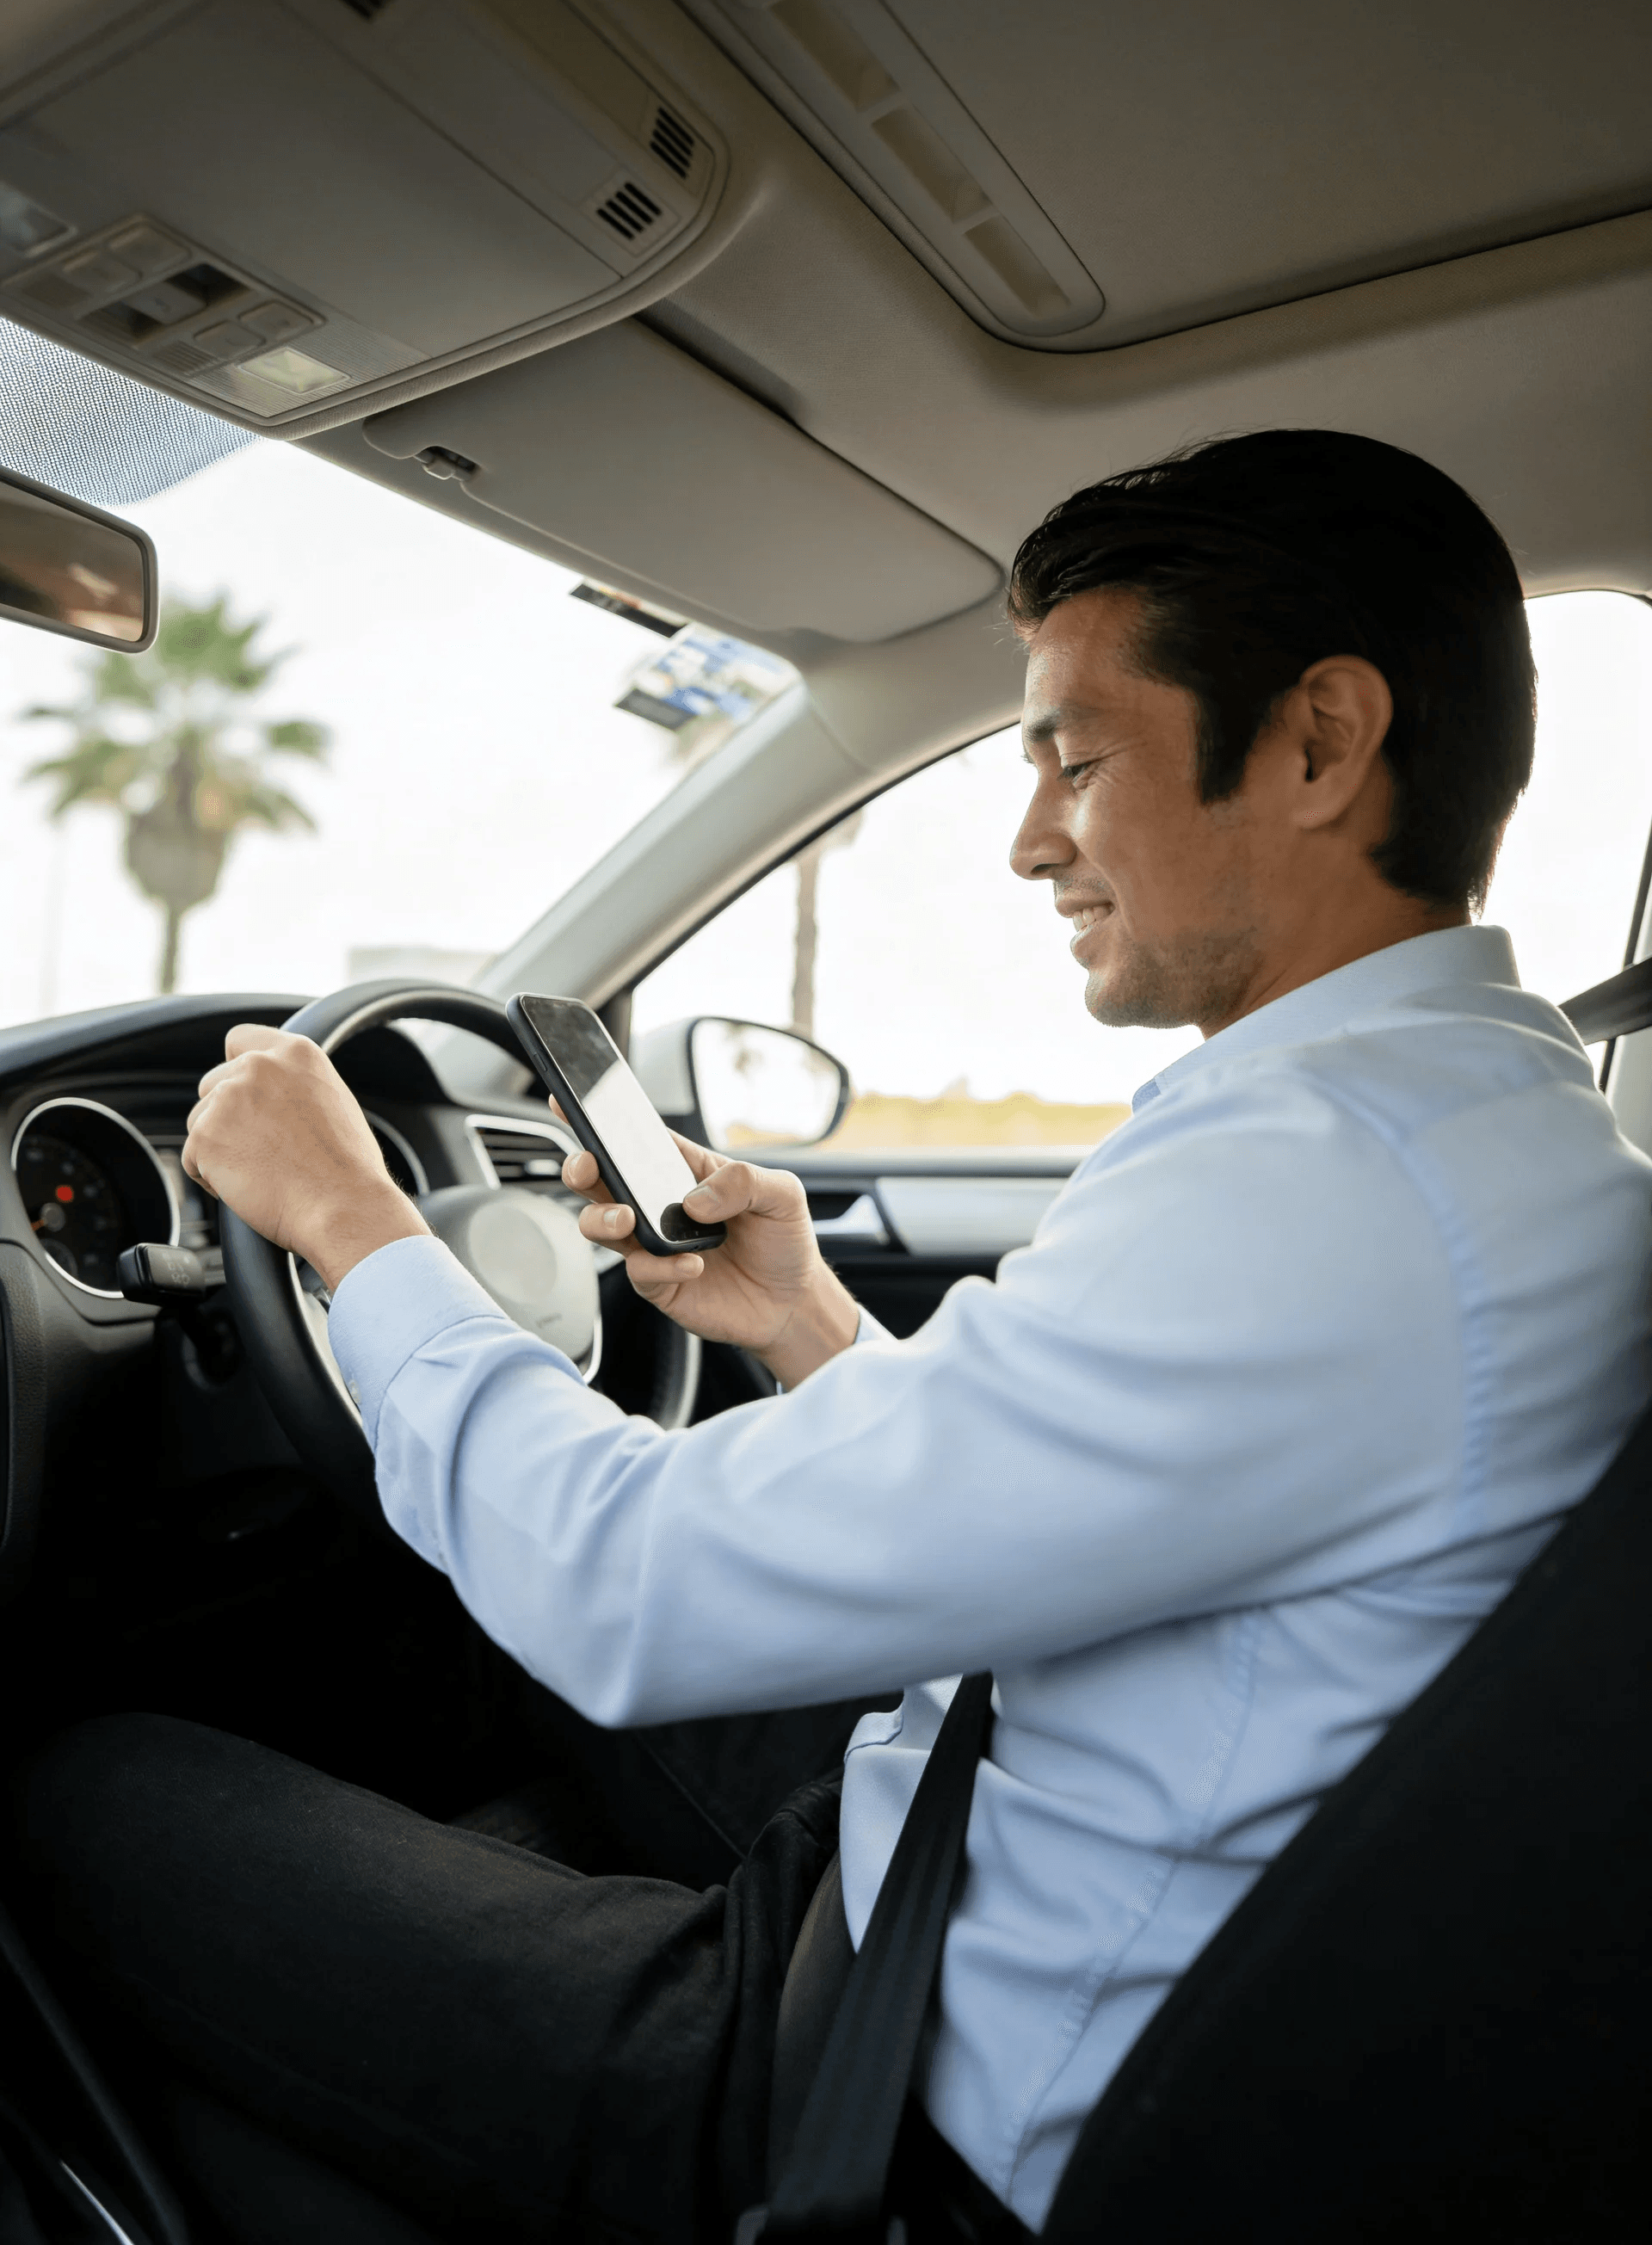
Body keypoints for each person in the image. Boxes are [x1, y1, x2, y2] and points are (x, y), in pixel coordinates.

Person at [14, 430, 1651, 2241]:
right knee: (457, 1643)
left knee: (72, 1780)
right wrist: (802, 1321)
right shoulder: (1491, 1134)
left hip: (893, 2091)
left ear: (1321, 742)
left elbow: (625, 1588)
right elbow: (1097, 1491)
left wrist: (353, 1227)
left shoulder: (1319, 1185)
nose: (1034, 839)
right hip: (1016, 1833)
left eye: (1077, 759)